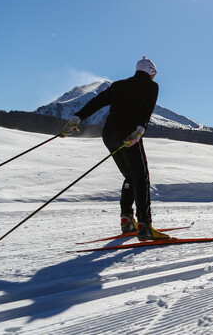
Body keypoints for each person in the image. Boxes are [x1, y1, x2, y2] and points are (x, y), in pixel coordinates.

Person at [60, 56, 170, 240]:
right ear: (152, 72)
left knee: (130, 176)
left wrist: (77, 118)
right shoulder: (151, 86)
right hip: (129, 133)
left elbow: (97, 102)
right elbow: (147, 108)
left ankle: (127, 220)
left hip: (109, 134)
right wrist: (140, 130)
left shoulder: (119, 85)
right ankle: (145, 226)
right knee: (141, 177)